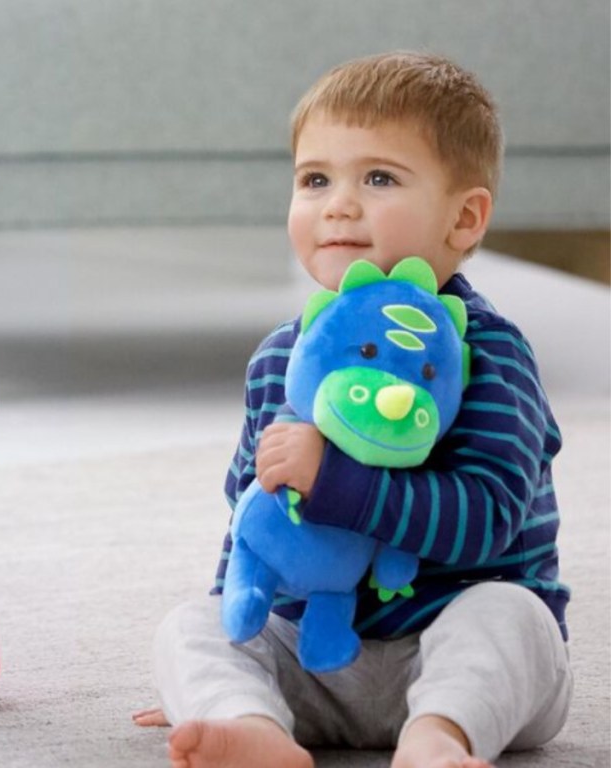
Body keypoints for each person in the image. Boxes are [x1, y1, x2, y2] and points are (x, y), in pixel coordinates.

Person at [133, 51, 572, 768]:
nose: (337, 203)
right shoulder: (282, 356)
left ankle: (441, 738)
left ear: (464, 218)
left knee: (513, 616)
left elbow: (490, 519)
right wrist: (224, 659)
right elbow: (252, 512)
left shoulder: (487, 354)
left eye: (378, 178)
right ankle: (251, 724)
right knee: (190, 624)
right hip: (319, 658)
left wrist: (335, 481)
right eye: (314, 179)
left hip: (454, 653)